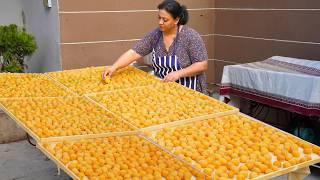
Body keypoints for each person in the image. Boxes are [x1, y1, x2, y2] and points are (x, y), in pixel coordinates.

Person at [102, 0, 208, 94]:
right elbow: (134, 52)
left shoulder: (190, 36)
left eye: (165, 20)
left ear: (176, 20)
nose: (160, 22)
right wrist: (114, 67)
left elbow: (202, 65)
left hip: (189, 92)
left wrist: (179, 73)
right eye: (159, 18)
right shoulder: (155, 35)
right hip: (164, 91)